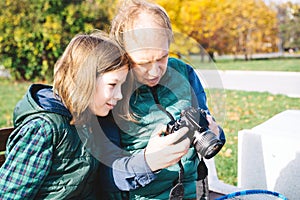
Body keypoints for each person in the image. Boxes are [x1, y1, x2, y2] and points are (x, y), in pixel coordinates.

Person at [98, 0, 226, 199]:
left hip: (193, 194)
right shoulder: (113, 91)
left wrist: (215, 132)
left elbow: (207, 125)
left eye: (162, 57)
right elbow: (104, 175)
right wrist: (149, 161)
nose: (154, 71)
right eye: (143, 63)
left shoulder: (185, 73)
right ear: (123, 52)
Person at [0, 31, 129, 199]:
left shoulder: (90, 122)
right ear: (85, 79)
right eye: (113, 85)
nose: (119, 95)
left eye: (122, 85)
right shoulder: (44, 129)